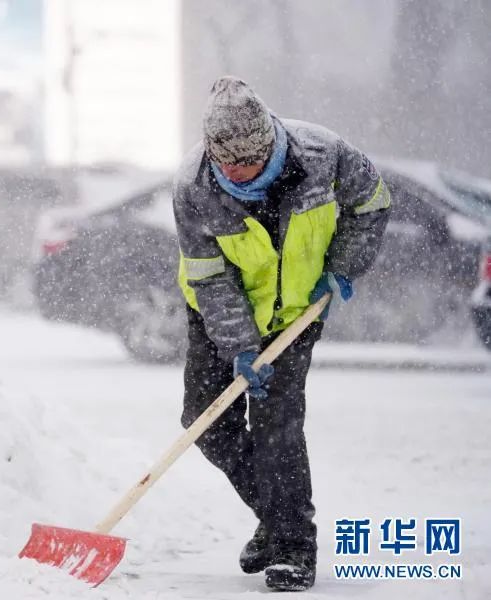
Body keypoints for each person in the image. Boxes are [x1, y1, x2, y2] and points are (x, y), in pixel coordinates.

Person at [173, 76, 390, 591]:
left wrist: (343, 265)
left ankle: (293, 546)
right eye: (230, 165)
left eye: (250, 161)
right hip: (216, 311)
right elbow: (209, 274)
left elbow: (373, 201)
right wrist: (240, 347)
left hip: (295, 312)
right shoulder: (193, 187)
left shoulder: (324, 153)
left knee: (277, 429)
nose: (241, 172)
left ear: (269, 139)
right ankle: (276, 519)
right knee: (205, 421)